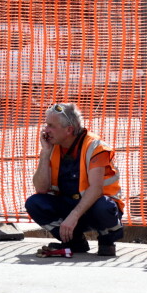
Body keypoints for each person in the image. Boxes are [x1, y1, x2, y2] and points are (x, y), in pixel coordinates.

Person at [25, 103, 124, 257]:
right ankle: (74, 242)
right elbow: (41, 189)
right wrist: (45, 153)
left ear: (69, 130)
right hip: (70, 204)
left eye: (51, 126)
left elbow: (96, 190)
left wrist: (73, 216)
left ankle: (107, 240)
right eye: (46, 125)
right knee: (34, 203)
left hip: (96, 207)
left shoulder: (95, 146)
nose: (46, 130)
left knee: (103, 207)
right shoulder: (53, 146)